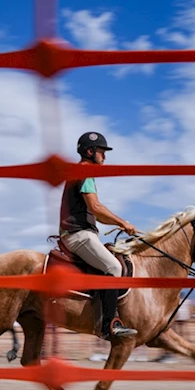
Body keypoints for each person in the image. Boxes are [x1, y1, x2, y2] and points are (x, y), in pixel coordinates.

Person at [59, 131, 138, 340]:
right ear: (89, 151)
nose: (104, 157)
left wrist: (118, 223)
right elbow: (95, 207)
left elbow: (99, 215)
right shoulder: (85, 172)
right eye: (102, 152)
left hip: (80, 232)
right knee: (114, 267)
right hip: (78, 235)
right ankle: (109, 326)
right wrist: (123, 223)